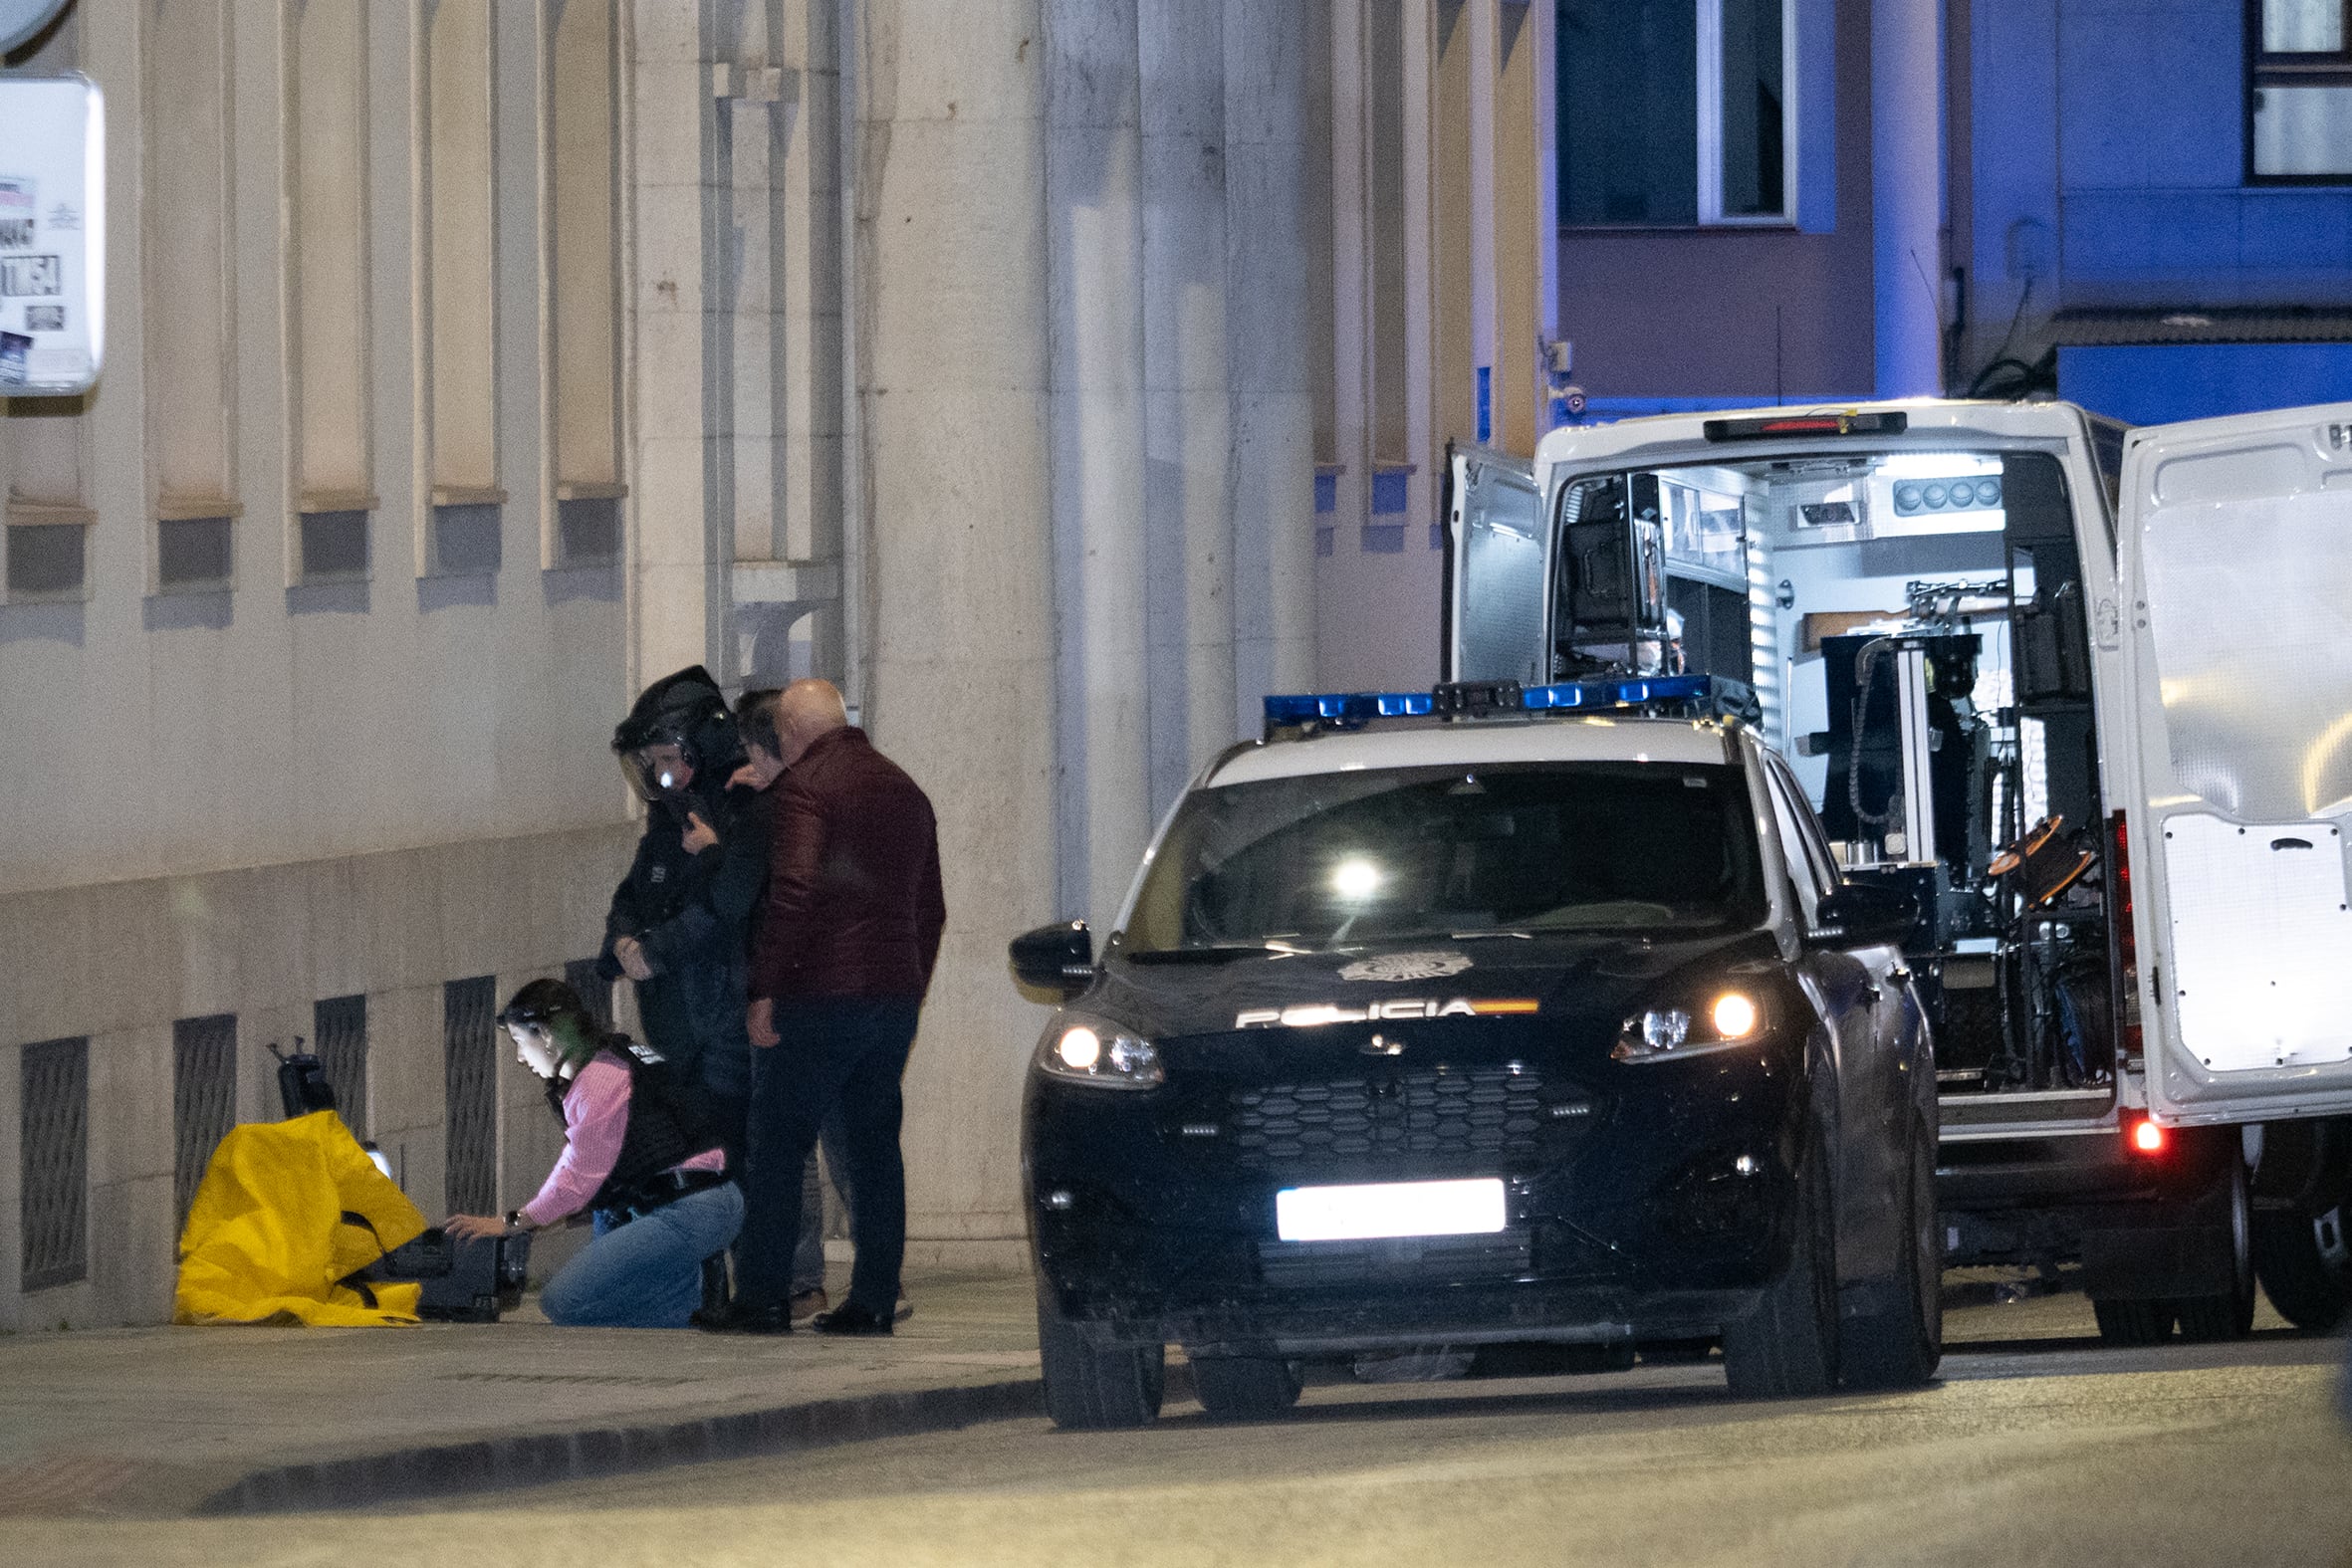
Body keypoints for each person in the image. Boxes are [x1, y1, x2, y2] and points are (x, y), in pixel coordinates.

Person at [701, 679, 945, 1335]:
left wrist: (765, 991)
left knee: (779, 1144)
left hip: (818, 997)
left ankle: (762, 1297)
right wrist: (908, 986)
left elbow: (795, 894)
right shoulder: (905, 788)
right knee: (874, 1147)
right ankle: (872, 1300)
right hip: (891, 998)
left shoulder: (808, 788)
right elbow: (931, 907)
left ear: (792, 731)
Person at [446, 979, 742, 1328]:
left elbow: (573, 1183)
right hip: (698, 1202)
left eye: (520, 1042)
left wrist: (507, 1224)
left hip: (685, 1213)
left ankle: (693, 1301)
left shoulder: (598, 1083)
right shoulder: (615, 1059)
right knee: (606, 1218)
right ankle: (690, 1301)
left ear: (546, 1035)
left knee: (562, 1302)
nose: (520, 1058)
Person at [600, 666, 764, 1168]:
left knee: (742, 1161)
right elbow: (637, 889)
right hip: (680, 1031)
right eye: (650, 764)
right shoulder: (668, 818)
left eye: (667, 760)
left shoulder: (745, 806)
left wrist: (657, 951)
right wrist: (622, 943)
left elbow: (725, 910)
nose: (659, 776)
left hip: (728, 1030)